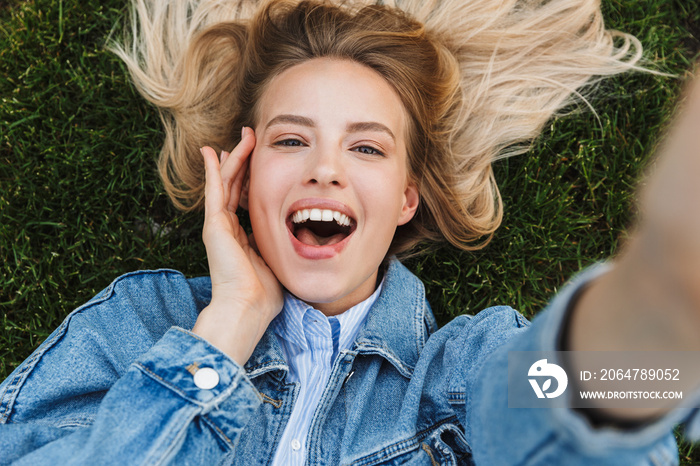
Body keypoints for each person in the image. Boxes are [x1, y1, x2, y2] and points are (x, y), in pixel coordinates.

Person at [0, 0, 698, 464]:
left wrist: (633, 342)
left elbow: (543, 392)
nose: (326, 169)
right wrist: (225, 331)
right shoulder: (136, 324)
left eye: (366, 148)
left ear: (404, 198)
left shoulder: (455, 372)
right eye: (290, 141)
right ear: (241, 178)